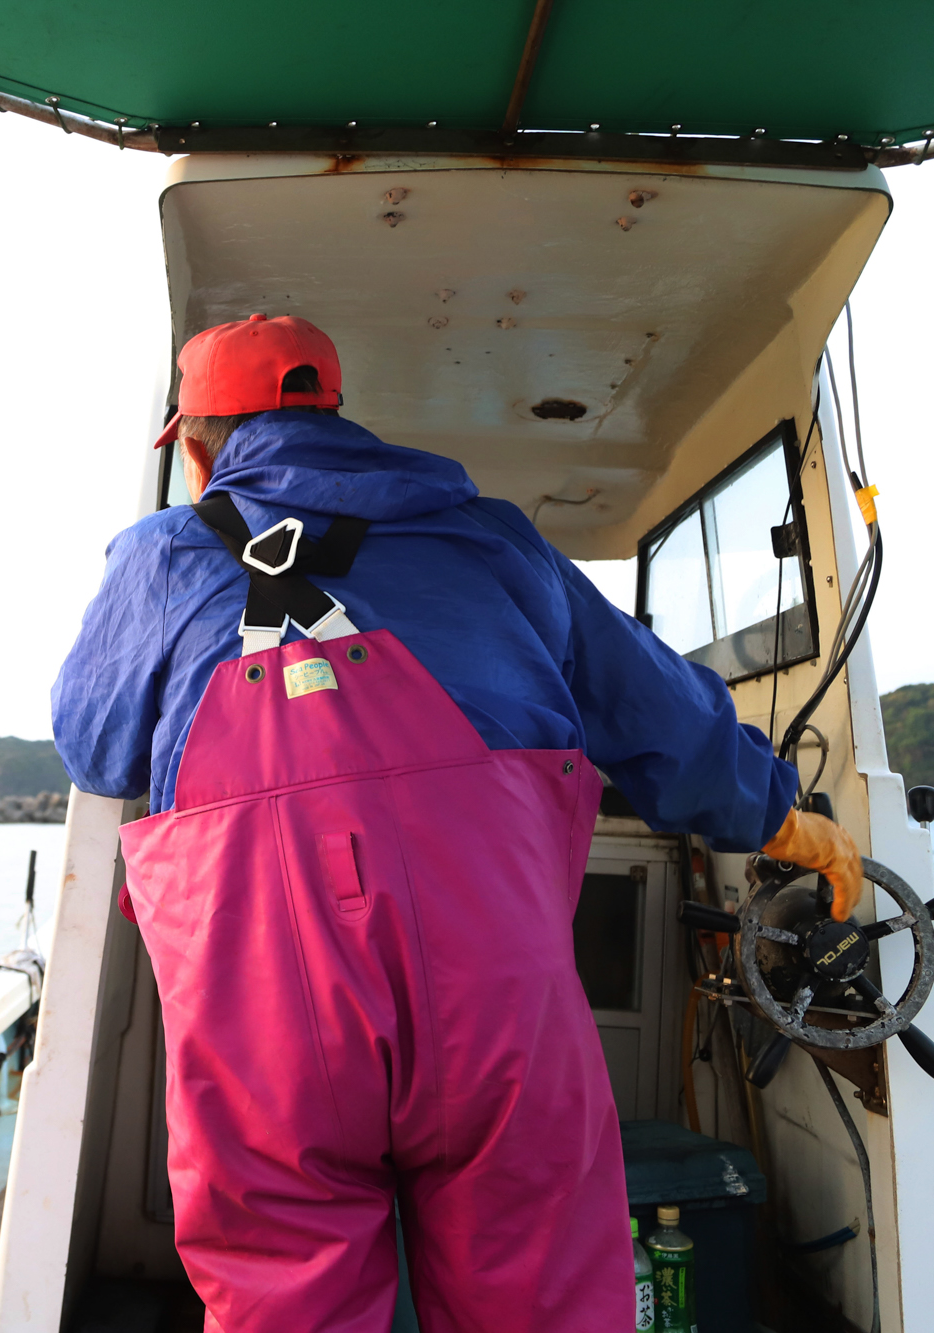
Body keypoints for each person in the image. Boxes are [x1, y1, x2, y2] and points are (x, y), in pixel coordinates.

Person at [50, 314, 858, 1333]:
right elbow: (656, 712)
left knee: (284, 1290)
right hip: (491, 1003)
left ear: (198, 444)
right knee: (535, 1285)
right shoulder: (492, 540)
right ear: (334, 411)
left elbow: (93, 748)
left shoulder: (159, 561)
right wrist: (786, 821)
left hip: (262, 1014)